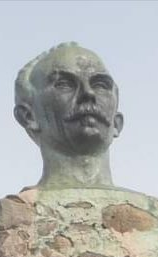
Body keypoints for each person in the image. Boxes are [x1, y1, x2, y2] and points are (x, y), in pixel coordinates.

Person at [14, 42, 125, 189]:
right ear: (29, 116)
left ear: (117, 123)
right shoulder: (22, 207)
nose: (88, 93)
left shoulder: (152, 210)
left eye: (100, 85)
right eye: (64, 84)